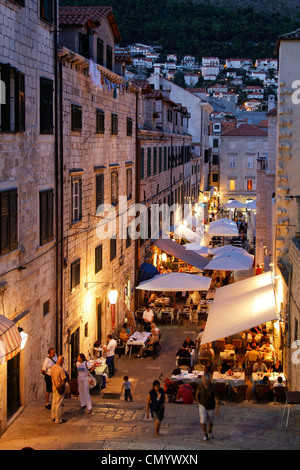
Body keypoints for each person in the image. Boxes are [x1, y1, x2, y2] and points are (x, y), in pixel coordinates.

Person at [196, 374, 219, 441]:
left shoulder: (213, 387)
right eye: (203, 380)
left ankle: (210, 432)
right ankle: (205, 434)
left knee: (210, 421)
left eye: (204, 380)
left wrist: (217, 408)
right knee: (203, 421)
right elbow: (197, 391)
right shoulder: (200, 385)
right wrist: (197, 398)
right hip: (202, 405)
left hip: (211, 406)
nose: (203, 382)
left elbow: (216, 398)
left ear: (208, 380)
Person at [51, 355, 67, 424]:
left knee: (54, 402)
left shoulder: (53, 367)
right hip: (59, 388)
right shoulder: (60, 369)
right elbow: (63, 379)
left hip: (54, 387)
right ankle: (58, 419)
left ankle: (53, 416)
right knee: (58, 404)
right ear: (62, 361)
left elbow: (51, 376)